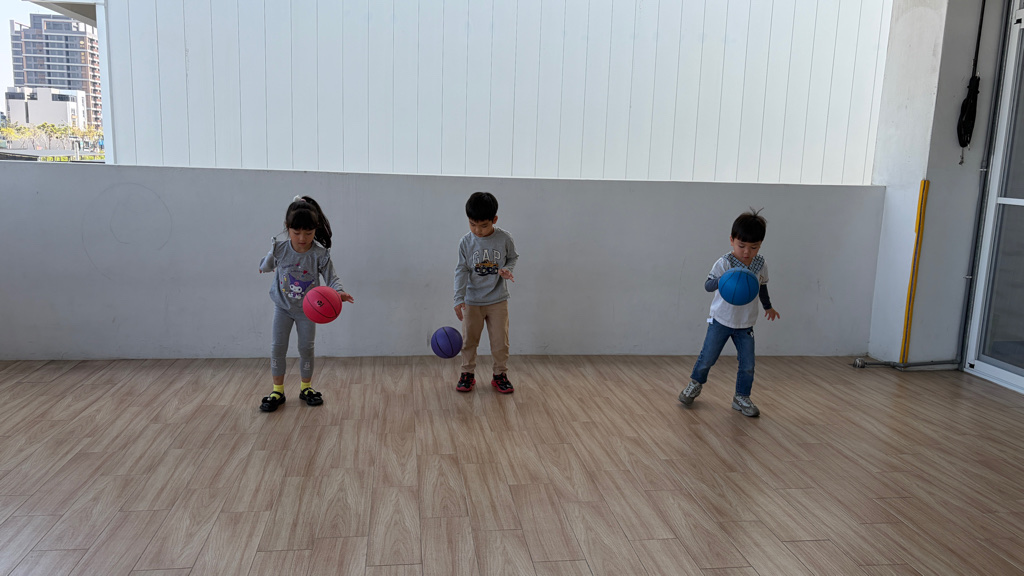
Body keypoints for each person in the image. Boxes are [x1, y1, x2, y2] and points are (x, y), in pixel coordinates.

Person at [679, 209, 780, 417]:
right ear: (732, 240)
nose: (746, 252)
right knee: (707, 357)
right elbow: (708, 285)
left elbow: (762, 287)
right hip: (721, 321)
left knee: (748, 364)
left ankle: (741, 397)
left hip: (745, 324)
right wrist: (723, 280)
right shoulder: (724, 263)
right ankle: (695, 384)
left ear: (760, 245)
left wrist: (768, 306)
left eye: (753, 247)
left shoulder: (761, 265)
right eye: (741, 246)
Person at [258, 195, 354, 412]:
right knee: (278, 347)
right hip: (282, 307)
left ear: (315, 229)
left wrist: (339, 292)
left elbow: (332, 278)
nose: (302, 238)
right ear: (287, 227)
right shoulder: (280, 249)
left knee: (306, 348)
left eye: (308, 233)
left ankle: (306, 388)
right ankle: (277, 390)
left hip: (308, 312)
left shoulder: (319, 254)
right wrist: (266, 262)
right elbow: (266, 265)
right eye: (296, 232)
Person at [453, 192, 519, 394]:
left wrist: (507, 269)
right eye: (472, 224)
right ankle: (467, 373)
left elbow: (513, 257)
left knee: (500, 342)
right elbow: (461, 270)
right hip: (472, 301)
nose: (477, 230)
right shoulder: (466, 242)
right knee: (469, 341)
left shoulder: (504, 238)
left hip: (498, 300)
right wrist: (458, 298)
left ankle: (500, 375)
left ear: (494, 220)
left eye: (483, 225)